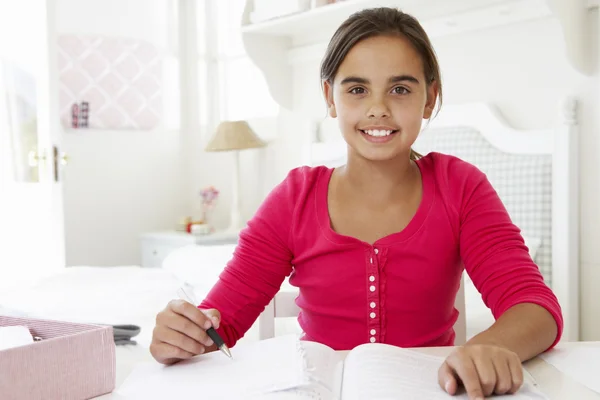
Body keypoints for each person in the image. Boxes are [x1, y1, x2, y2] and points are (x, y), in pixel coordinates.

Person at [150, 7, 562, 399]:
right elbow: (220, 322)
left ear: (430, 98)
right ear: (330, 97)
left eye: (400, 89)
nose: (378, 108)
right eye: (357, 89)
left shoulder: (460, 187)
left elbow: (536, 307)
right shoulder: (293, 200)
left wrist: (488, 346)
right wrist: (181, 334)